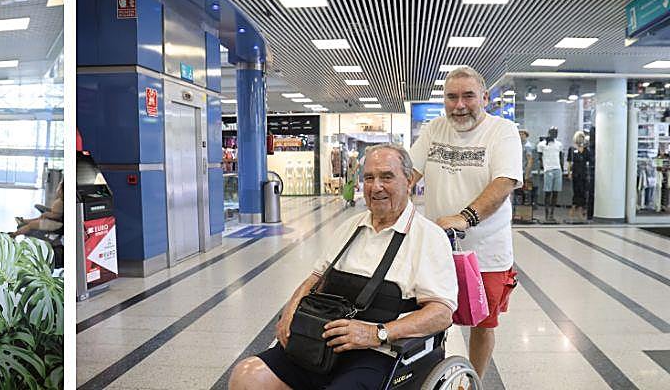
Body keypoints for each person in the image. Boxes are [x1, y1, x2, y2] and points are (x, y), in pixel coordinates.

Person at [228, 145, 456, 390]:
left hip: (380, 354)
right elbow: (315, 278)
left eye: (386, 177)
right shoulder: (350, 227)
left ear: (409, 180)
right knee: (247, 375)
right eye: (369, 178)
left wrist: (376, 333)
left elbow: (441, 313)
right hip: (320, 341)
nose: (376, 186)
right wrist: (290, 311)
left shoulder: (428, 237)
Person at [408, 66, 522, 380]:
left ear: (484, 97)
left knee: (482, 325)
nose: (459, 105)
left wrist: (465, 218)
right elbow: (409, 174)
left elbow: (503, 182)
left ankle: (475, 381)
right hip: (438, 248)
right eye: (452, 97)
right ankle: (430, 377)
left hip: (487, 252)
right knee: (429, 318)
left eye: (468, 96)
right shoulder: (433, 130)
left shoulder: (502, 131)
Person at [538, 127, 564, 223]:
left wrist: (561, 168)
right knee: (548, 192)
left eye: (556, 132)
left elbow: (561, 157)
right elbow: (540, 158)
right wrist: (542, 168)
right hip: (548, 170)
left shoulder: (559, 144)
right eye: (553, 132)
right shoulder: (541, 145)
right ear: (549, 133)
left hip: (557, 169)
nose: (555, 134)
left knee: (556, 192)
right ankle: (546, 214)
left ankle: (552, 214)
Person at [567, 130, 592, 223]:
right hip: (576, 174)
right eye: (579, 137)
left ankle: (580, 213)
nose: (581, 139)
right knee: (576, 192)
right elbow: (569, 162)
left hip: (584, 174)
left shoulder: (586, 150)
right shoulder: (572, 149)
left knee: (583, 193)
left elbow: (589, 162)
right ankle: (572, 212)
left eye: (582, 137)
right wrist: (569, 172)